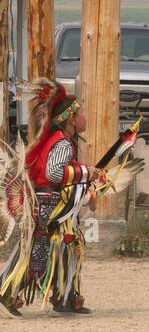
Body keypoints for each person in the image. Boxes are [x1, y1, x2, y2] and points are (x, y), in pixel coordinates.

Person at [0, 80, 104, 315]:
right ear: (71, 120)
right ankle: (8, 293)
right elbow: (53, 172)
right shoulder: (63, 144)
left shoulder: (60, 140)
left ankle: (65, 296)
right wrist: (86, 171)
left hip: (54, 207)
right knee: (39, 252)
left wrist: (84, 181)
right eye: (82, 113)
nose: (85, 117)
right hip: (49, 208)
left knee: (67, 248)